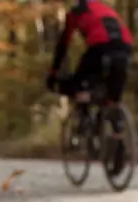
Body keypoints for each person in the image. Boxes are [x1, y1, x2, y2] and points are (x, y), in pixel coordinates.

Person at [46, 0, 133, 166]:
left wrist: (53, 73)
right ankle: (117, 135)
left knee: (80, 83)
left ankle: (86, 117)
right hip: (125, 49)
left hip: (100, 48)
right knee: (113, 98)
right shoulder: (106, 9)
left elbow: (63, 45)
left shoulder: (75, 13)